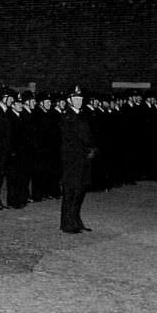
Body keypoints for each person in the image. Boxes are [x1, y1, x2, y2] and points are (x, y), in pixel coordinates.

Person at [60, 85, 96, 234]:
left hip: (83, 160)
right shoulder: (67, 117)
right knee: (71, 192)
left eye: (80, 98)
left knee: (80, 192)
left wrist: (92, 149)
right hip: (73, 161)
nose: (79, 101)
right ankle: (67, 223)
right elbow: (70, 141)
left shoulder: (82, 115)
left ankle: (76, 220)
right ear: (69, 100)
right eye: (76, 98)